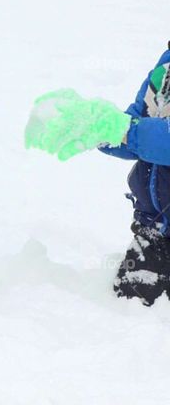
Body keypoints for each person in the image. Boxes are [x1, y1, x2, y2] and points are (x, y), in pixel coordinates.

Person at [26, 42, 170, 305]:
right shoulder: (167, 64)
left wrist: (124, 129)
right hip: (155, 230)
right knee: (125, 313)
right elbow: (136, 123)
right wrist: (97, 128)